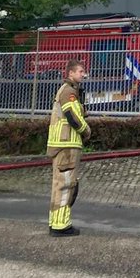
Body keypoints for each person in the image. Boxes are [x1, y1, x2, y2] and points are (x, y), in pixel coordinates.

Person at [47, 58, 91, 237]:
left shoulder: (67, 91)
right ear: (70, 73)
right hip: (66, 144)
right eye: (80, 71)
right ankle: (61, 225)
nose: (83, 74)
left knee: (59, 185)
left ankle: (55, 221)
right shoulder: (69, 92)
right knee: (66, 184)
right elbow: (72, 117)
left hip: (62, 144)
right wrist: (86, 131)